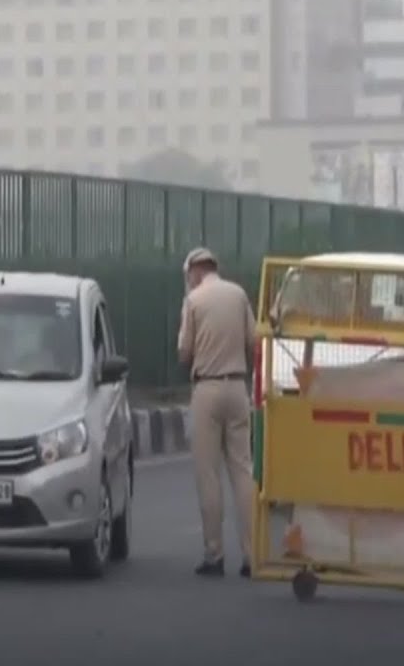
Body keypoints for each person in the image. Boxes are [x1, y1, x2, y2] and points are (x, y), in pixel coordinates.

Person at [177, 247, 257, 578]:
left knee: (208, 475)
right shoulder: (238, 294)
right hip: (238, 388)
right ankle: (254, 555)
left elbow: (184, 352)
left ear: (195, 271)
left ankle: (214, 554)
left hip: (207, 390)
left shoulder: (194, 301)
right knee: (243, 472)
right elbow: (255, 341)